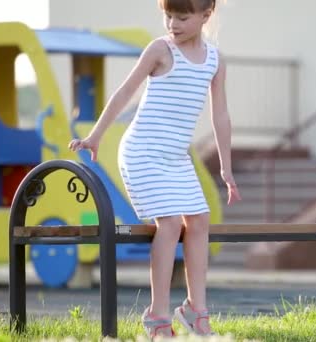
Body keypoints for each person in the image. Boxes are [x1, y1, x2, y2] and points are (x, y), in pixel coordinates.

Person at [68, 0, 241, 337]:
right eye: (168, 15)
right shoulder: (160, 50)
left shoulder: (214, 61)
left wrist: (227, 167)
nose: (172, 23)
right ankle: (157, 316)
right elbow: (124, 92)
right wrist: (94, 136)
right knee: (172, 222)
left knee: (200, 219)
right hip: (141, 152)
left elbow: (220, 115)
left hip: (176, 158)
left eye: (182, 16)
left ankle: (196, 309)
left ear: (206, 15)